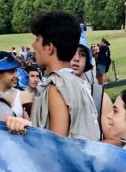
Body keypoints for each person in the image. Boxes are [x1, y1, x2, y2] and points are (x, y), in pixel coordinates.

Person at [26, 11, 100, 140]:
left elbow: (56, 144)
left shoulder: (56, 86)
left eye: (37, 39)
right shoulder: (78, 83)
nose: (33, 44)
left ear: (50, 48)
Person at [70, 33, 119, 145]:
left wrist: (85, 149)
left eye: (82, 54)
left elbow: (114, 140)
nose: (76, 58)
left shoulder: (99, 97)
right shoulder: (53, 93)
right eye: (72, 52)